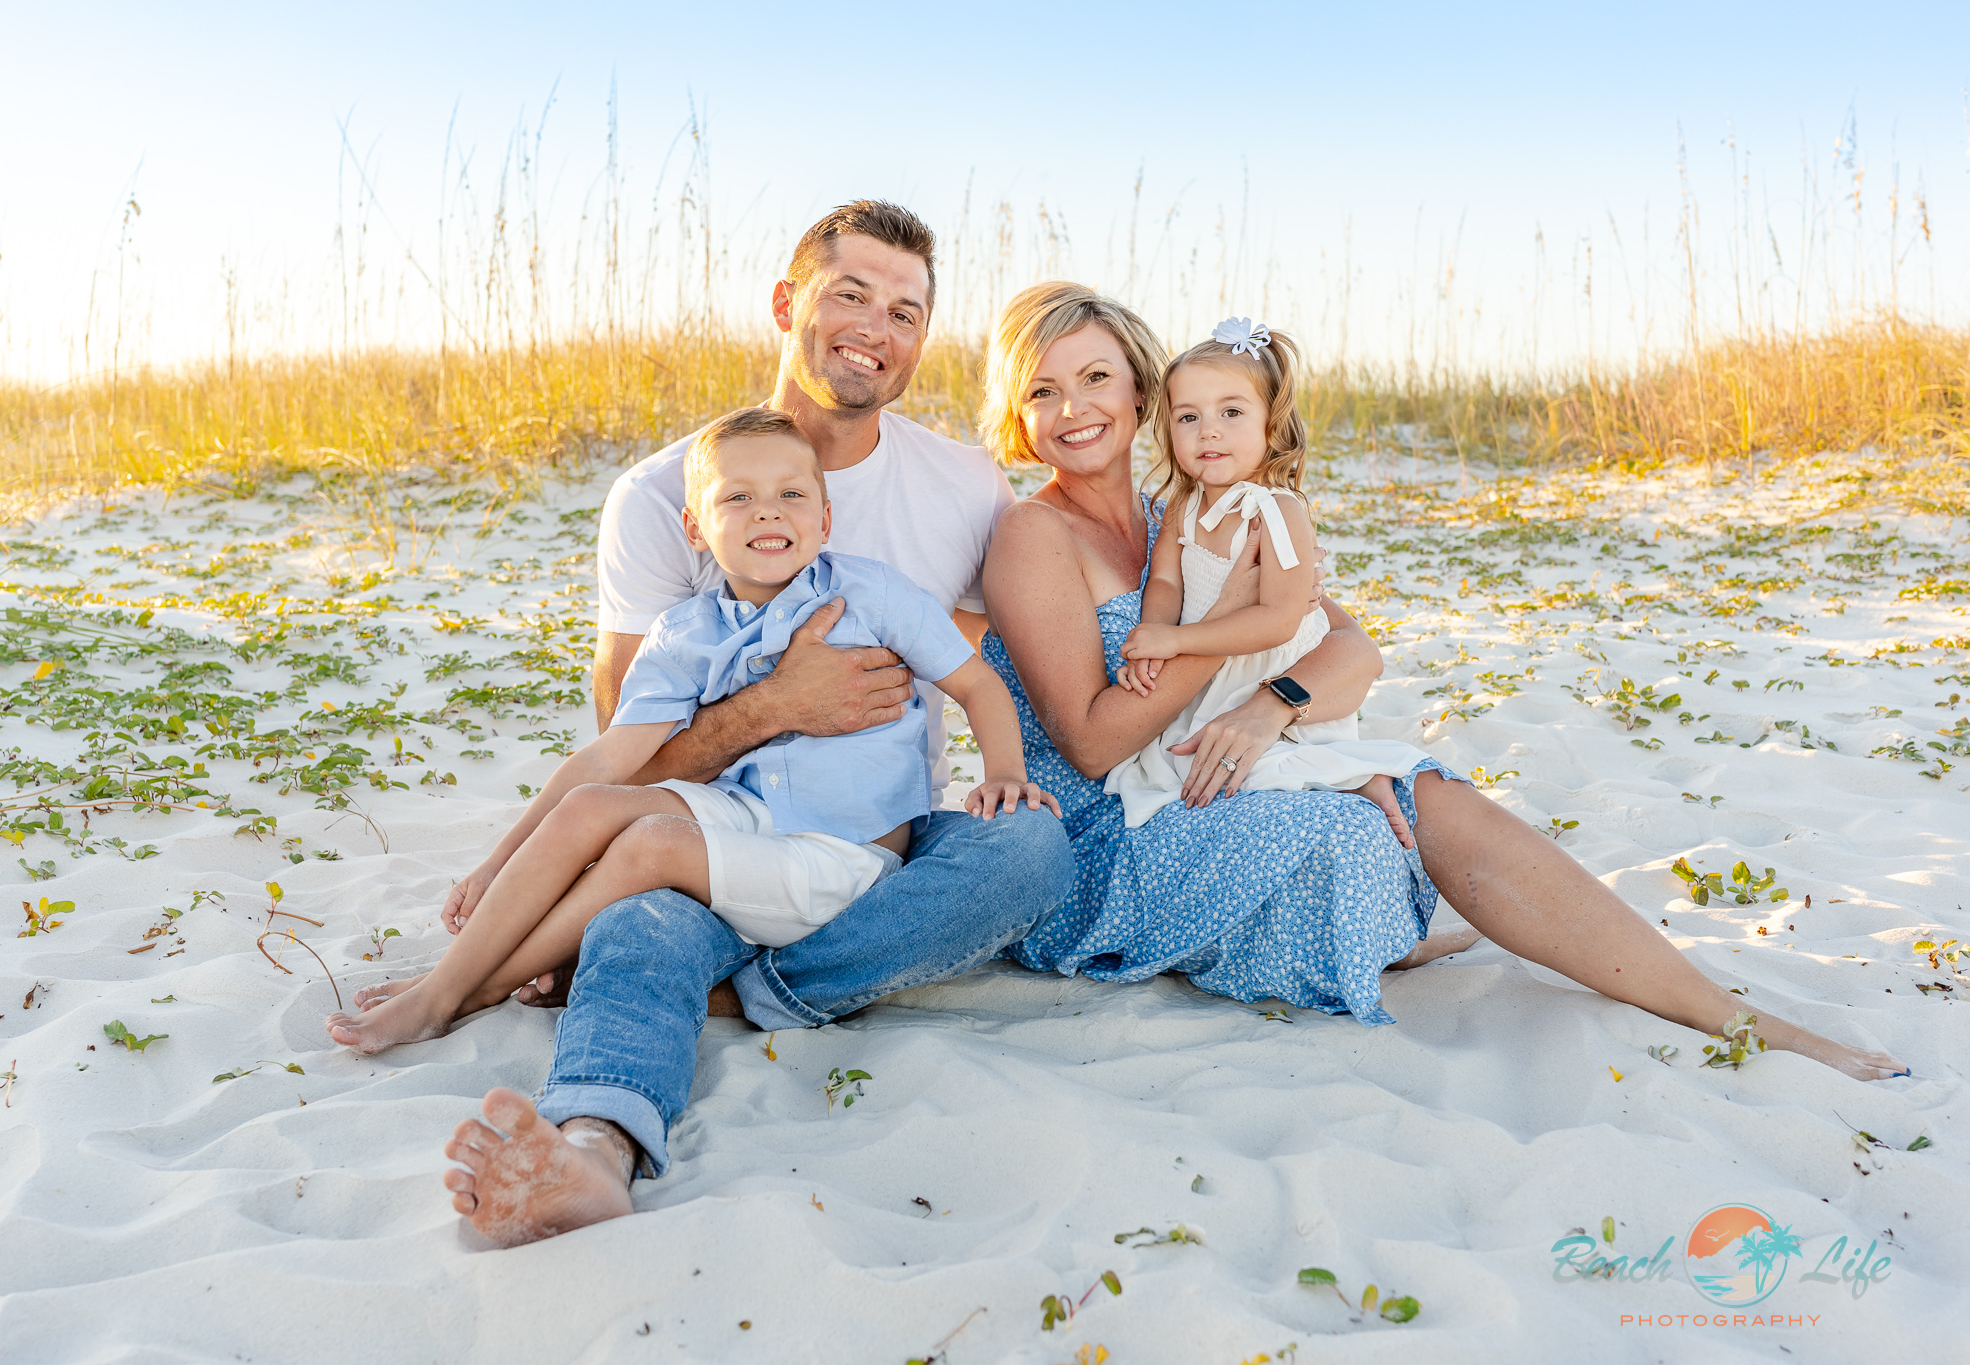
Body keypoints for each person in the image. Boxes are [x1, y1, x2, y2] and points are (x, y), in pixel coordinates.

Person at [974, 279, 1907, 1078]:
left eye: (1095, 376)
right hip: (1108, 836)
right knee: (1352, 827)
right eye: (1042, 389)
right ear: (1018, 414)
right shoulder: (1034, 534)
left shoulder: (1193, 510)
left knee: (1417, 791)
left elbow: (1349, 651)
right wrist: (1229, 640)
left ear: (1142, 389)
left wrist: (1273, 706)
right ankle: (1391, 939)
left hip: (1206, 773)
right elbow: (1095, 741)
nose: (1072, 408)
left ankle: (1719, 1010)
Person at [438, 203, 1075, 1248]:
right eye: (849, 294)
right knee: (639, 921)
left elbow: (989, 665)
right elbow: (633, 753)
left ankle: (748, 997)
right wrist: (777, 706)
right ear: (788, 304)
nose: (877, 326)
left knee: (1029, 850)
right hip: (712, 840)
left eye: (905, 311)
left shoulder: (962, 485)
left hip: (875, 845)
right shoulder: (665, 496)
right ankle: (595, 1150)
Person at [323, 409, 1055, 1055]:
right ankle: (449, 982)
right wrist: (494, 863)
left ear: (825, 519)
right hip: (743, 818)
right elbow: (612, 759)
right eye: (738, 497)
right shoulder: (688, 631)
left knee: (650, 845)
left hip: (845, 854)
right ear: (696, 528)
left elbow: (977, 684)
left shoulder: (871, 593)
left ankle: (461, 992)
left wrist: (1003, 769)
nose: (769, 513)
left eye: (791, 495)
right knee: (592, 811)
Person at [1104, 315, 1430, 833]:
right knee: (1176, 762)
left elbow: (1279, 619)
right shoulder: (1182, 507)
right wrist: (1153, 642)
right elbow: (1165, 582)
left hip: (1265, 668)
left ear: (1269, 425)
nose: (1208, 429)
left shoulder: (1276, 511)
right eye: (1188, 417)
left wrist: (1180, 639)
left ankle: (1354, 776)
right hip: (1209, 670)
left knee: (1253, 767)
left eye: (1231, 411)